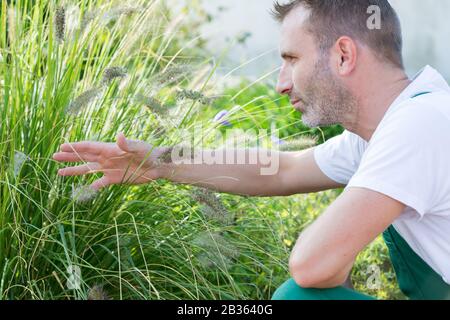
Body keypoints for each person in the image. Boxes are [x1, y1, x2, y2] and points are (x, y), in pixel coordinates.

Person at [53, 0, 450, 300]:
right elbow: (282, 169)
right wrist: (160, 162)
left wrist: (338, 248)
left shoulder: (420, 126)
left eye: (292, 59)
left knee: (299, 298)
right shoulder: (389, 127)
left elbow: (312, 266)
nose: (281, 83)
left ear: (343, 55)